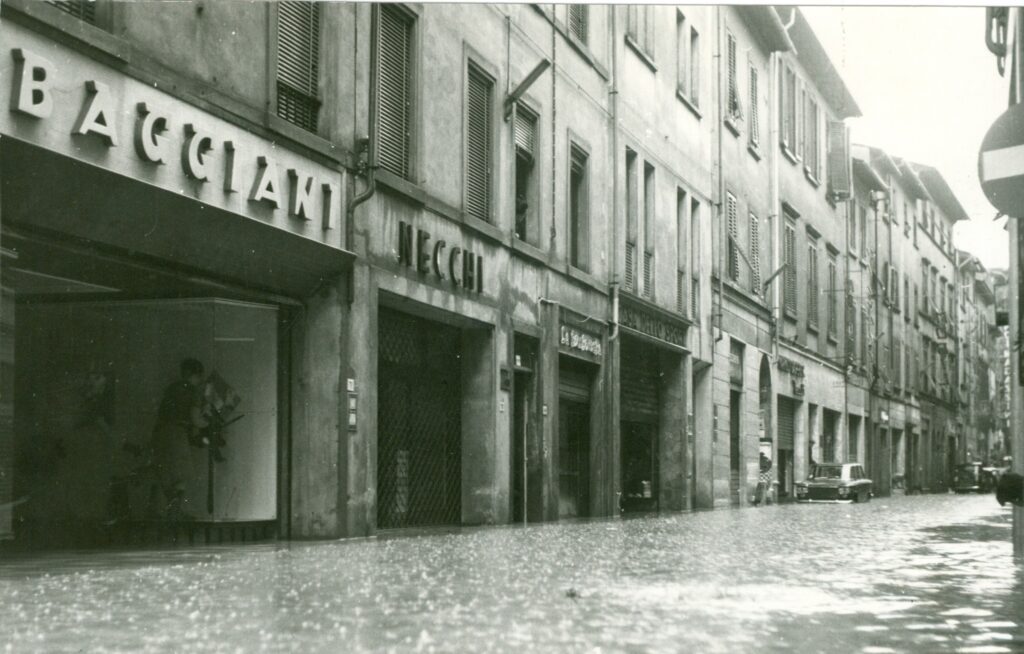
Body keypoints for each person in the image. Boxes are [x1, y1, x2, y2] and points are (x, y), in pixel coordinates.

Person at [150, 358, 208, 520]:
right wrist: (208, 421)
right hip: (176, 434)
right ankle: (175, 511)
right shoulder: (193, 392)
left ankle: (173, 510)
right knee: (182, 475)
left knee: (166, 475)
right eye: (199, 377)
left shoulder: (171, 389)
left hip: (159, 433)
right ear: (195, 375)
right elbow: (196, 419)